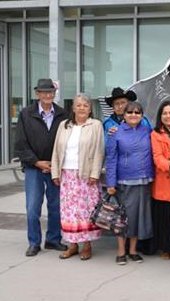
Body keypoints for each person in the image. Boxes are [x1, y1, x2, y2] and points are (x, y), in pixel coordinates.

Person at [14, 78, 68, 256]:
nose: (47, 95)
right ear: (37, 94)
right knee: (32, 207)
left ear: (54, 93)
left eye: (50, 92)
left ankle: (53, 240)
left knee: (55, 206)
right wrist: (37, 162)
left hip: (55, 167)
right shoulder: (26, 114)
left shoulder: (63, 114)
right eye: (44, 92)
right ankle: (34, 242)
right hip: (33, 167)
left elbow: (66, 142)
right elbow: (20, 144)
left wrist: (54, 163)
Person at [51, 94, 105, 260]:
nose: (82, 108)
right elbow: (56, 150)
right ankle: (73, 245)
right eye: (78, 105)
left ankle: (87, 245)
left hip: (86, 174)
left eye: (85, 105)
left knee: (86, 211)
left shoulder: (95, 125)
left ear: (90, 109)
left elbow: (99, 150)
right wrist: (55, 172)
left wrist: (95, 173)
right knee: (69, 212)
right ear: (73, 108)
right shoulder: (64, 125)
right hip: (67, 174)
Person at [106, 102, 154, 265]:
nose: (134, 115)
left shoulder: (147, 131)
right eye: (130, 112)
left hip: (144, 180)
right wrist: (110, 183)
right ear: (124, 115)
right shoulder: (115, 133)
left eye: (137, 112)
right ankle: (121, 251)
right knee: (123, 217)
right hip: (124, 181)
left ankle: (133, 250)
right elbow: (111, 159)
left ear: (142, 115)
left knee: (139, 216)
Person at [148, 101, 170, 259]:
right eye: (165, 113)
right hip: (164, 179)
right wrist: (168, 164)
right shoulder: (156, 134)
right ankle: (164, 248)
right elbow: (157, 157)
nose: (168, 116)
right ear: (160, 117)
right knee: (163, 216)